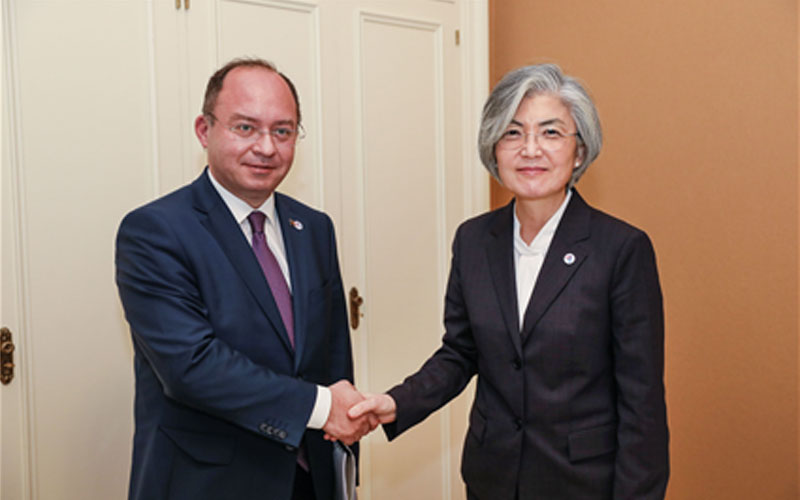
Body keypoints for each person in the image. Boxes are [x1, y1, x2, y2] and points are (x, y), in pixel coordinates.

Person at [349, 64, 669, 499]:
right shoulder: (474, 240)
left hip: (583, 483)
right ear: (494, 150)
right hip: (492, 477)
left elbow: (642, 400)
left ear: (579, 152)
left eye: (551, 133)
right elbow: (460, 353)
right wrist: (398, 402)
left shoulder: (621, 249)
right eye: (513, 133)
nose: (530, 149)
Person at [116, 58, 370, 500]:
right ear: (204, 129)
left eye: (283, 131)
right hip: (208, 483)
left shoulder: (313, 227)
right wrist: (324, 408)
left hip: (308, 478)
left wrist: (341, 448)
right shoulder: (155, 231)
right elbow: (191, 366)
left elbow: (332, 358)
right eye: (246, 128)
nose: (267, 147)